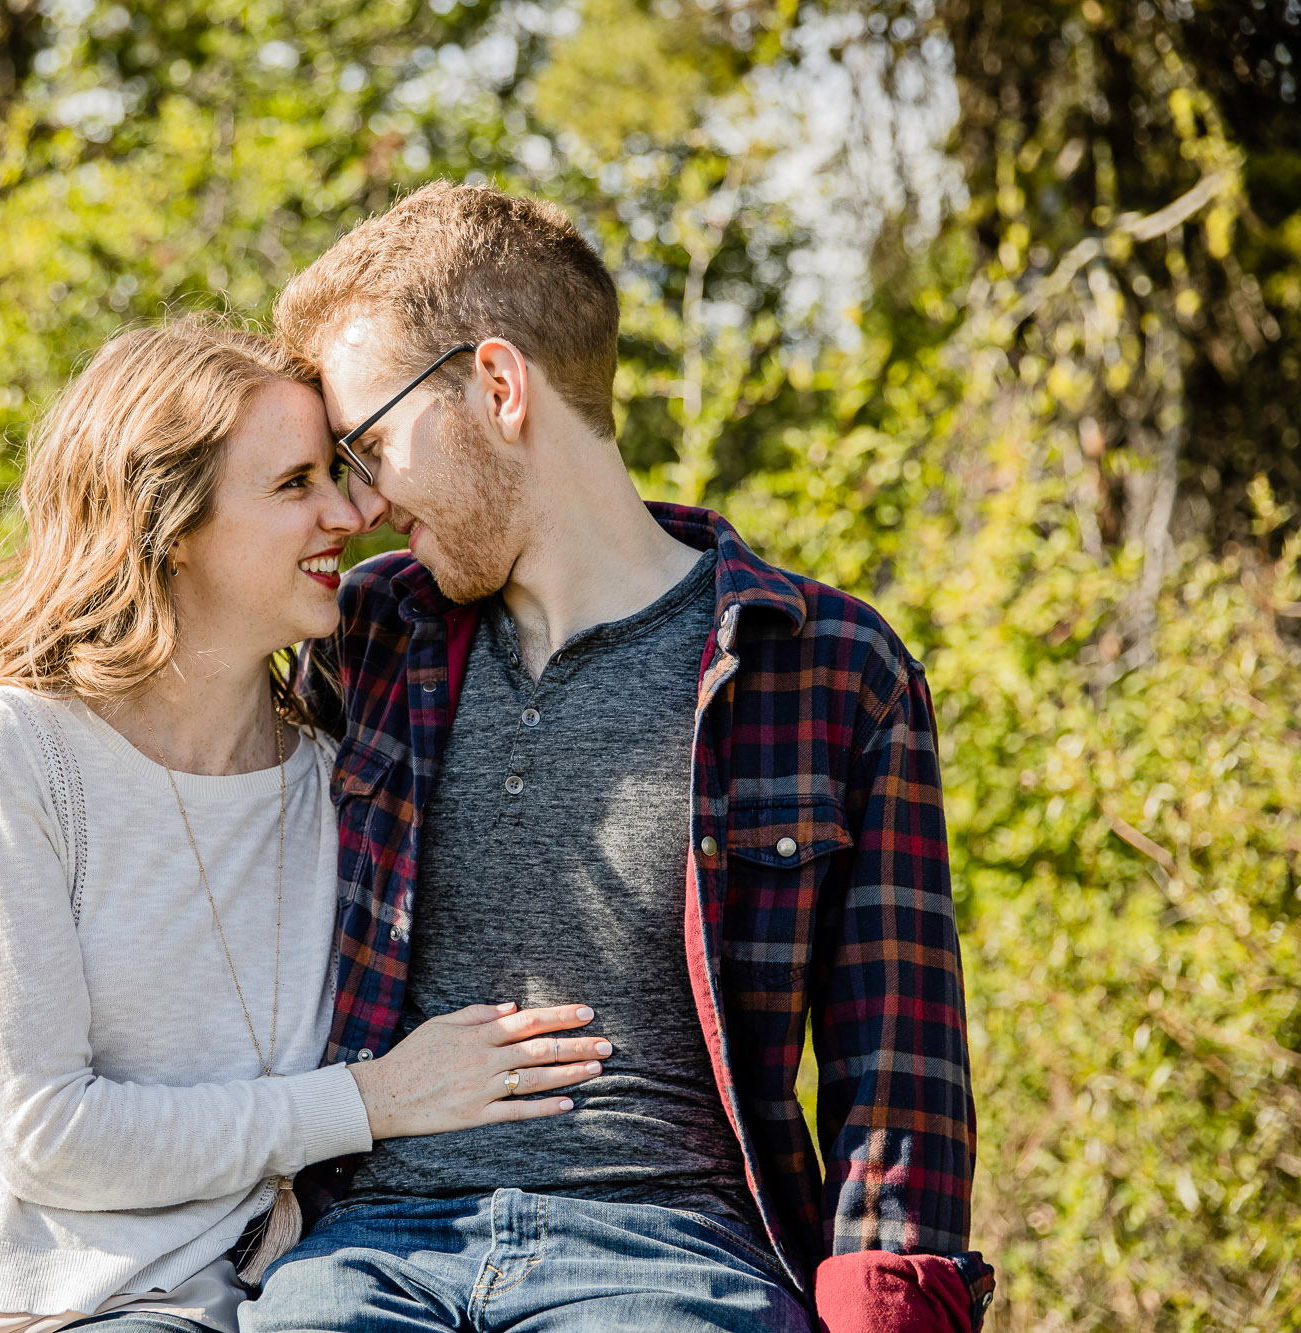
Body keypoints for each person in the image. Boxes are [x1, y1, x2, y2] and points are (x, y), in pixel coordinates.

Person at [0, 322, 608, 1333]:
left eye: (338, 474)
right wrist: (371, 1099)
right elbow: (47, 1133)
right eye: (294, 483)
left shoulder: (341, 784)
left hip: (162, 1290)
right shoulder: (9, 747)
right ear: (171, 526)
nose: (351, 512)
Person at [247, 183, 995, 1333]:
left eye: (368, 447)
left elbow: (895, 1066)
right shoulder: (361, 637)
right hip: (366, 1246)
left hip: (668, 1258)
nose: (357, 504)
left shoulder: (829, 665)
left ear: (497, 388)